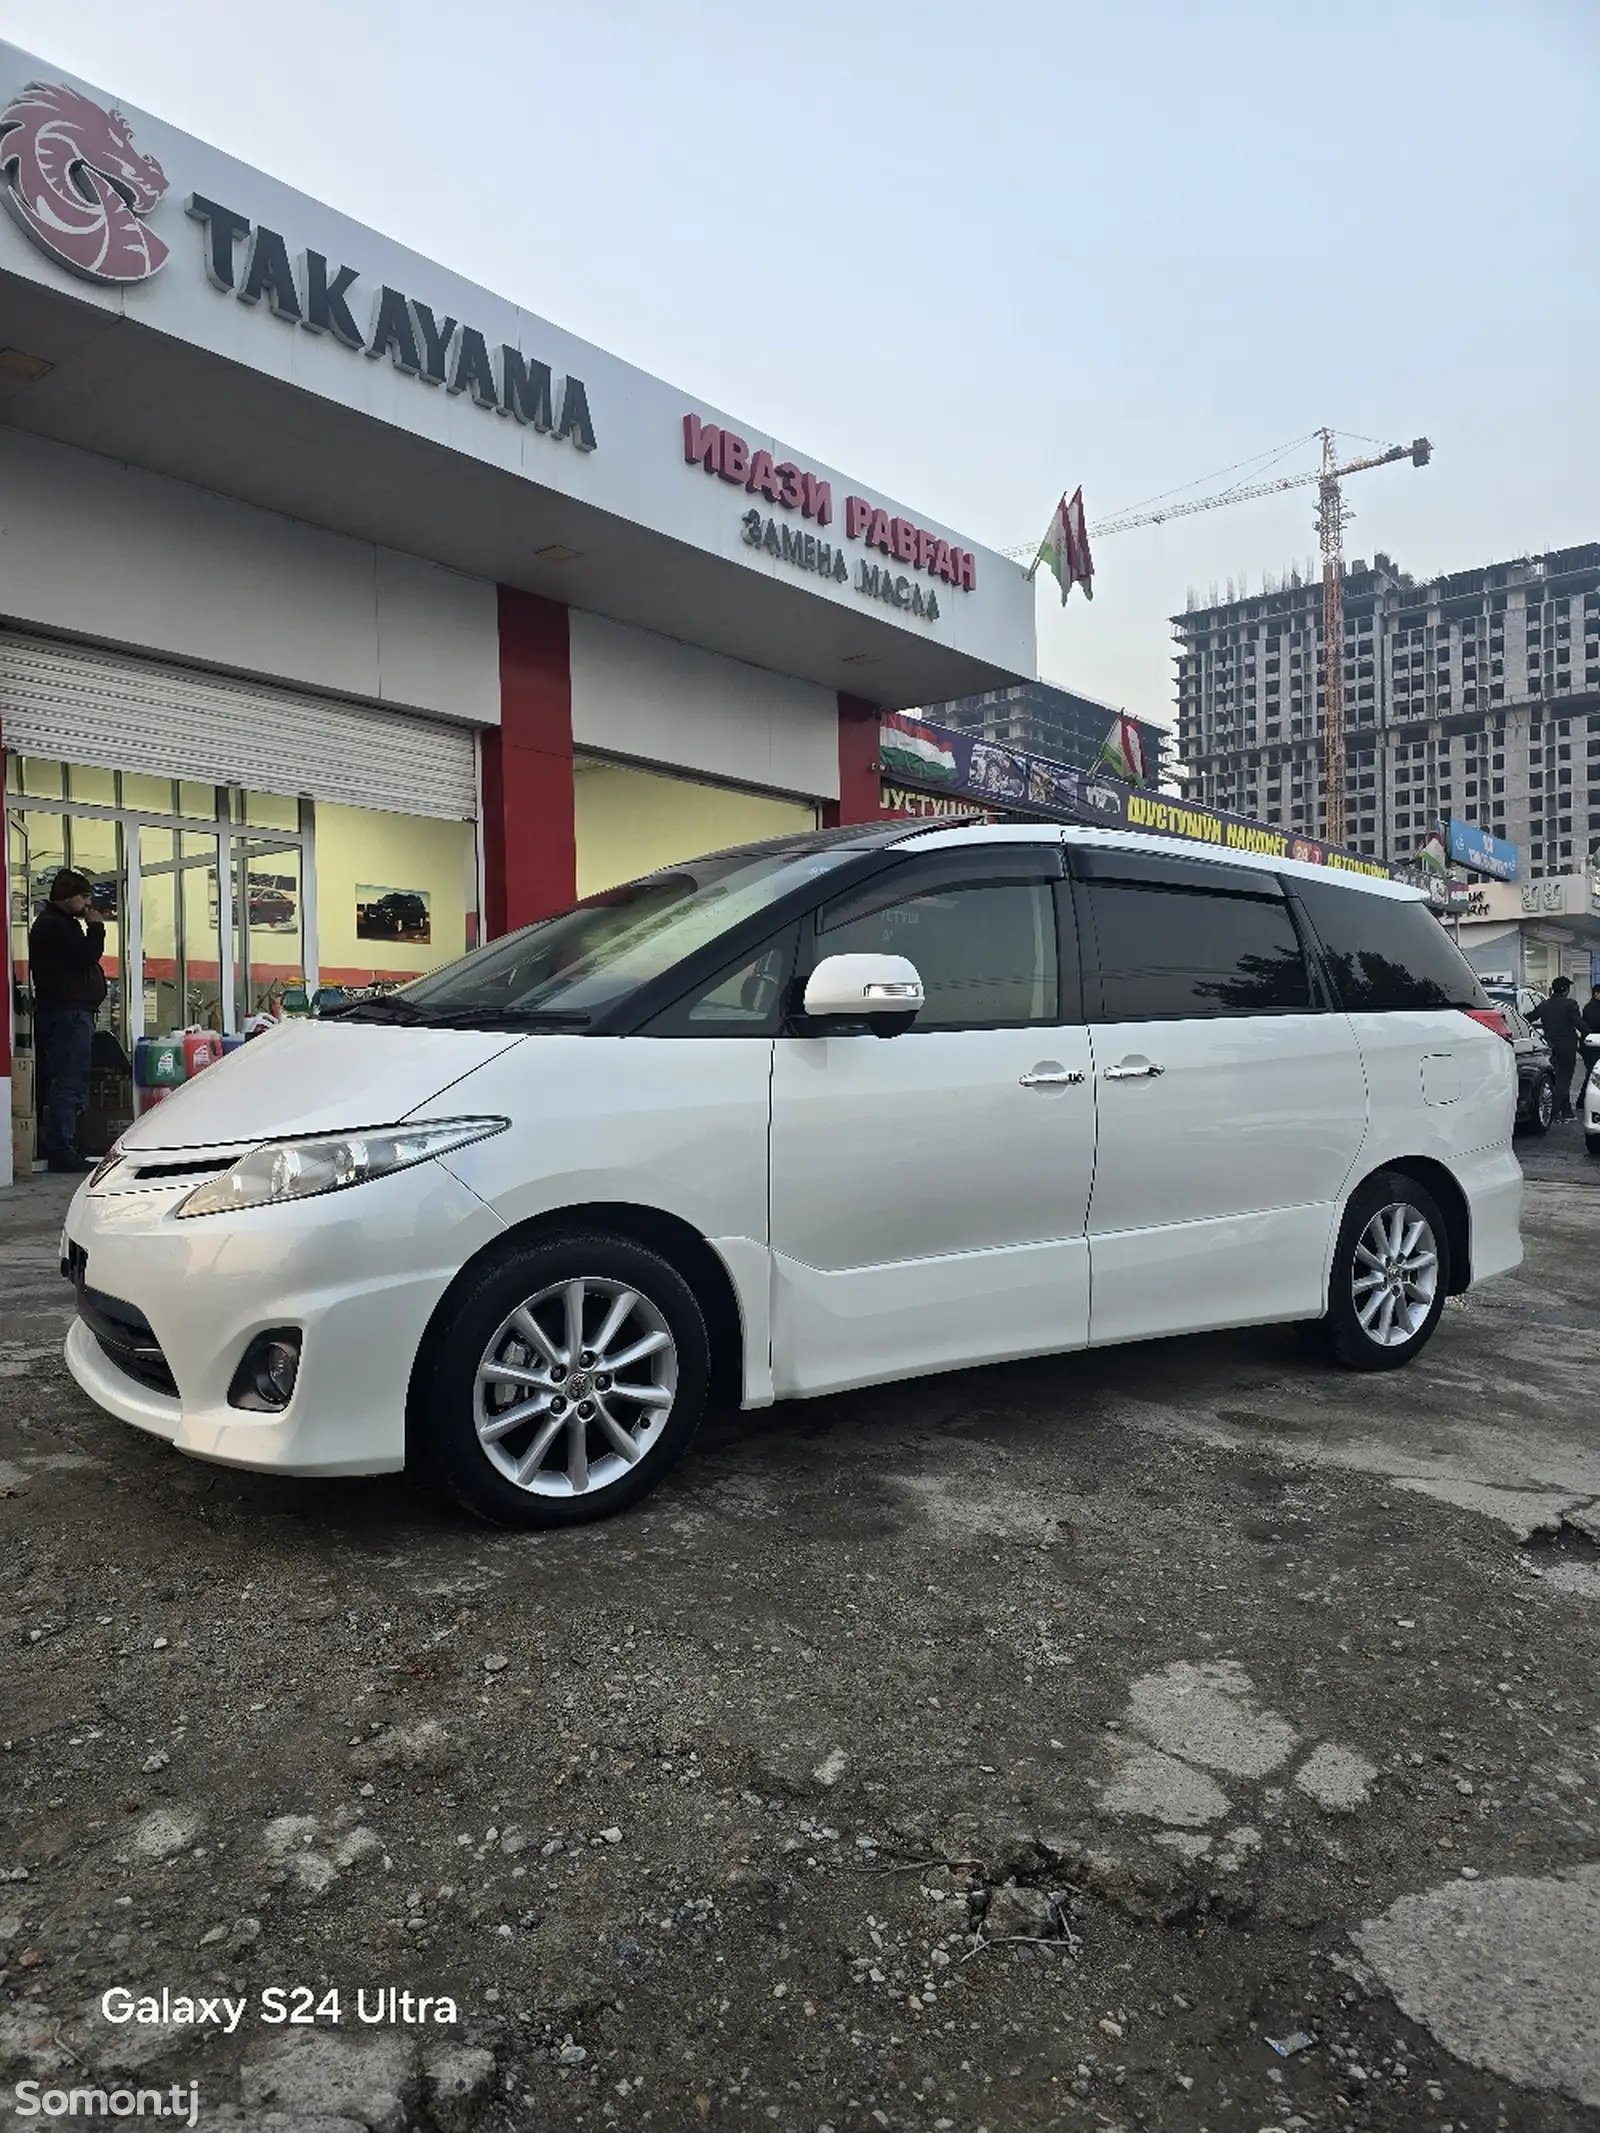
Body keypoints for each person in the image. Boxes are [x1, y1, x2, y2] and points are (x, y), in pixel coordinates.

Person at [28, 868, 107, 1173]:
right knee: (68, 1080)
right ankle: (62, 1147)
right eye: (84, 897)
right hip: (67, 1013)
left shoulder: (57, 924)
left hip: (68, 1012)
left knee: (69, 1079)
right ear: (67, 896)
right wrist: (97, 928)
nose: (89, 904)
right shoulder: (55, 926)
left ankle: (68, 1141)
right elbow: (87, 955)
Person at [1529, 975, 1584, 1123]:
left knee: (1557, 1078)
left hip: (1550, 1046)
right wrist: (1590, 1033)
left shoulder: (1544, 1005)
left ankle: (1567, 1112)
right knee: (1564, 1080)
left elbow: (1529, 1018)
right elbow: (1578, 1023)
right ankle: (1553, 1113)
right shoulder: (1570, 1004)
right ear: (1565, 989)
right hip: (1567, 1047)